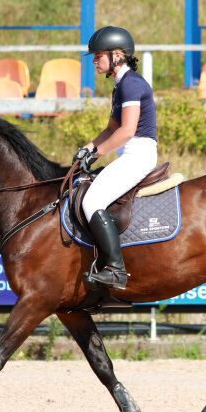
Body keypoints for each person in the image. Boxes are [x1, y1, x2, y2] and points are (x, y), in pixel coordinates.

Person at [73, 26, 158, 291]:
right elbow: (110, 129)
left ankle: (115, 270)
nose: (95, 61)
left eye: (98, 56)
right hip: (129, 154)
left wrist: (97, 154)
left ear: (117, 55)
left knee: (92, 200)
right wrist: (87, 149)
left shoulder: (131, 84)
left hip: (138, 155)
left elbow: (127, 131)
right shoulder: (120, 85)